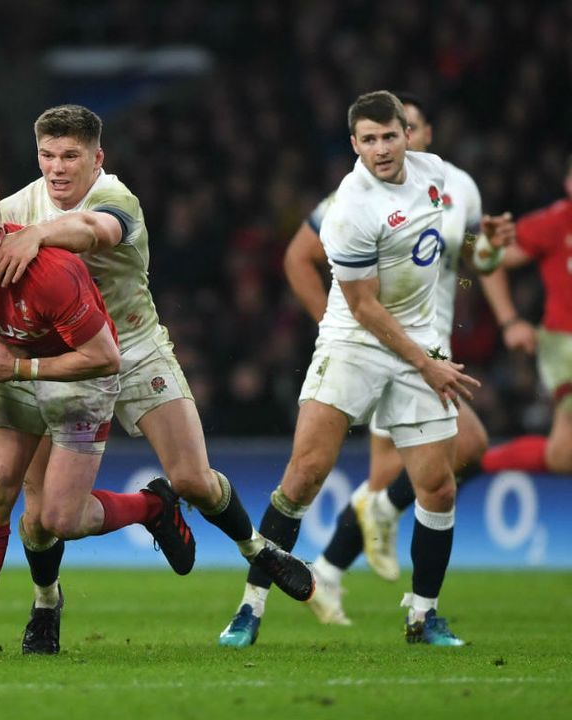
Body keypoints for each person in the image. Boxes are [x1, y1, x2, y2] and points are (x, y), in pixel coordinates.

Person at [0, 104, 314, 655]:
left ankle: (257, 549)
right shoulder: (14, 206)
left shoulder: (117, 198)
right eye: (47, 155)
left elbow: (93, 230)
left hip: (134, 347)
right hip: (61, 360)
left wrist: (34, 237)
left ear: (98, 158)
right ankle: (46, 603)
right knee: (41, 516)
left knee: (193, 480)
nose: (58, 169)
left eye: (71, 156)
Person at [219, 90, 481, 648]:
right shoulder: (350, 208)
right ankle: (250, 608)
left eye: (390, 135)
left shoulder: (436, 175)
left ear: (407, 134)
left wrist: (479, 264)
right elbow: (364, 307)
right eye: (369, 139)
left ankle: (423, 616)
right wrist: (427, 364)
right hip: (355, 339)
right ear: (354, 144)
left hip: (418, 343)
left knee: (437, 486)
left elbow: (456, 255)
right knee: (305, 475)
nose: (382, 148)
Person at [0, 175, 193, 659]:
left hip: (79, 377)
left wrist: (16, 367)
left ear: (0, 232)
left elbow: (105, 357)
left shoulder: (52, 272)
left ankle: (154, 506)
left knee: (60, 519)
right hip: (15, 370)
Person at [282, 93, 514, 624]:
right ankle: (346, 570)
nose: (390, 141)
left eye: (402, 128)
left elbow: (475, 258)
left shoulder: (459, 188)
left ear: (420, 133)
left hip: (433, 347)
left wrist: (494, 250)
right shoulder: (354, 198)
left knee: (445, 460)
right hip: (384, 346)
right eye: (378, 134)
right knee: (424, 466)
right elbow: (300, 254)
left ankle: (339, 564)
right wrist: (336, 328)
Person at [477, 155, 572, 475]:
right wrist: (510, 321)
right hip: (565, 345)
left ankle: (475, 463)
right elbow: (486, 257)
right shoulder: (555, 222)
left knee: (562, 455)